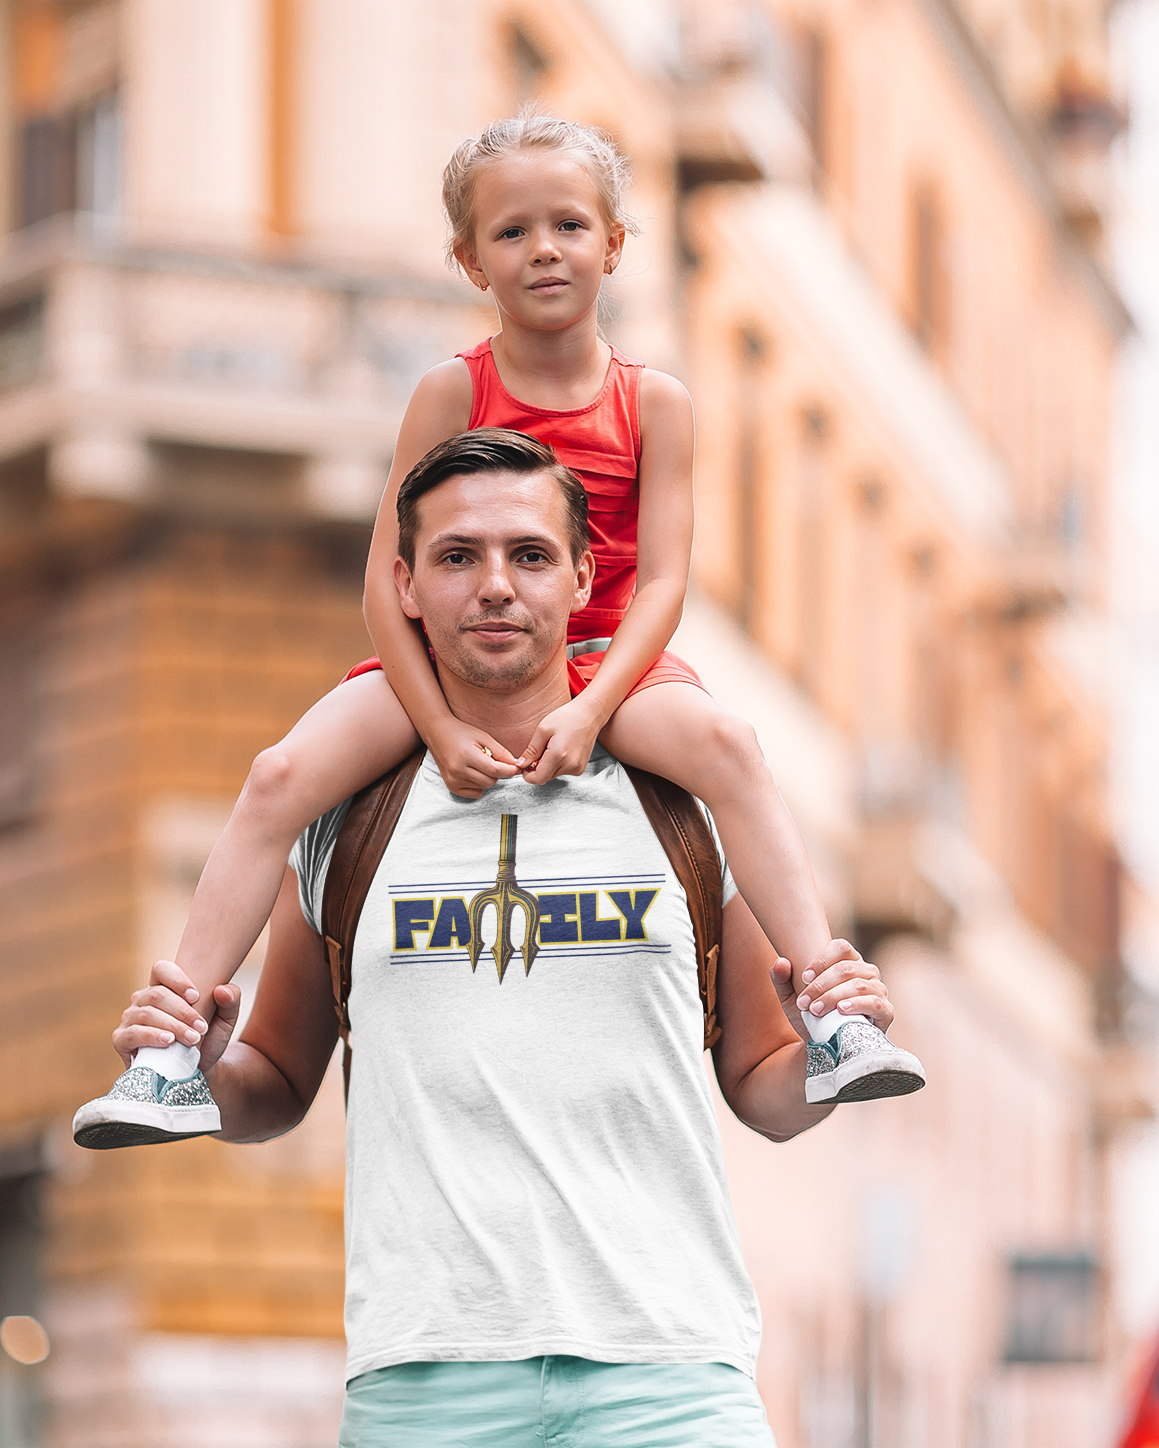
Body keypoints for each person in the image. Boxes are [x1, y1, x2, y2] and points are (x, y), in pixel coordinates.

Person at [73, 113, 923, 1150]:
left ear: (614, 244)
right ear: (469, 260)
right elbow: (389, 583)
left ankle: (831, 1011)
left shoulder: (655, 402)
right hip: (436, 667)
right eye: (512, 232)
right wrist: (432, 724)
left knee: (732, 750)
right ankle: (169, 1050)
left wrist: (594, 705)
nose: (545, 249)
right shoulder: (448, 390)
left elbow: (661, 581)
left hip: (609, 654)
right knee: (277, 776)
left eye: (569, 224)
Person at [105, 433, 905, 1444]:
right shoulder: (345, 821)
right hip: (427, 1373)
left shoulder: (684, 810)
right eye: (456, 556)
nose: (494, 585)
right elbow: (274, 1079)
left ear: (580, 576)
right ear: (404, 585)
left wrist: (825, 1056)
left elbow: (762, 1084)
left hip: (668, 1365)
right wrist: (208, 1067)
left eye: (528, 554)